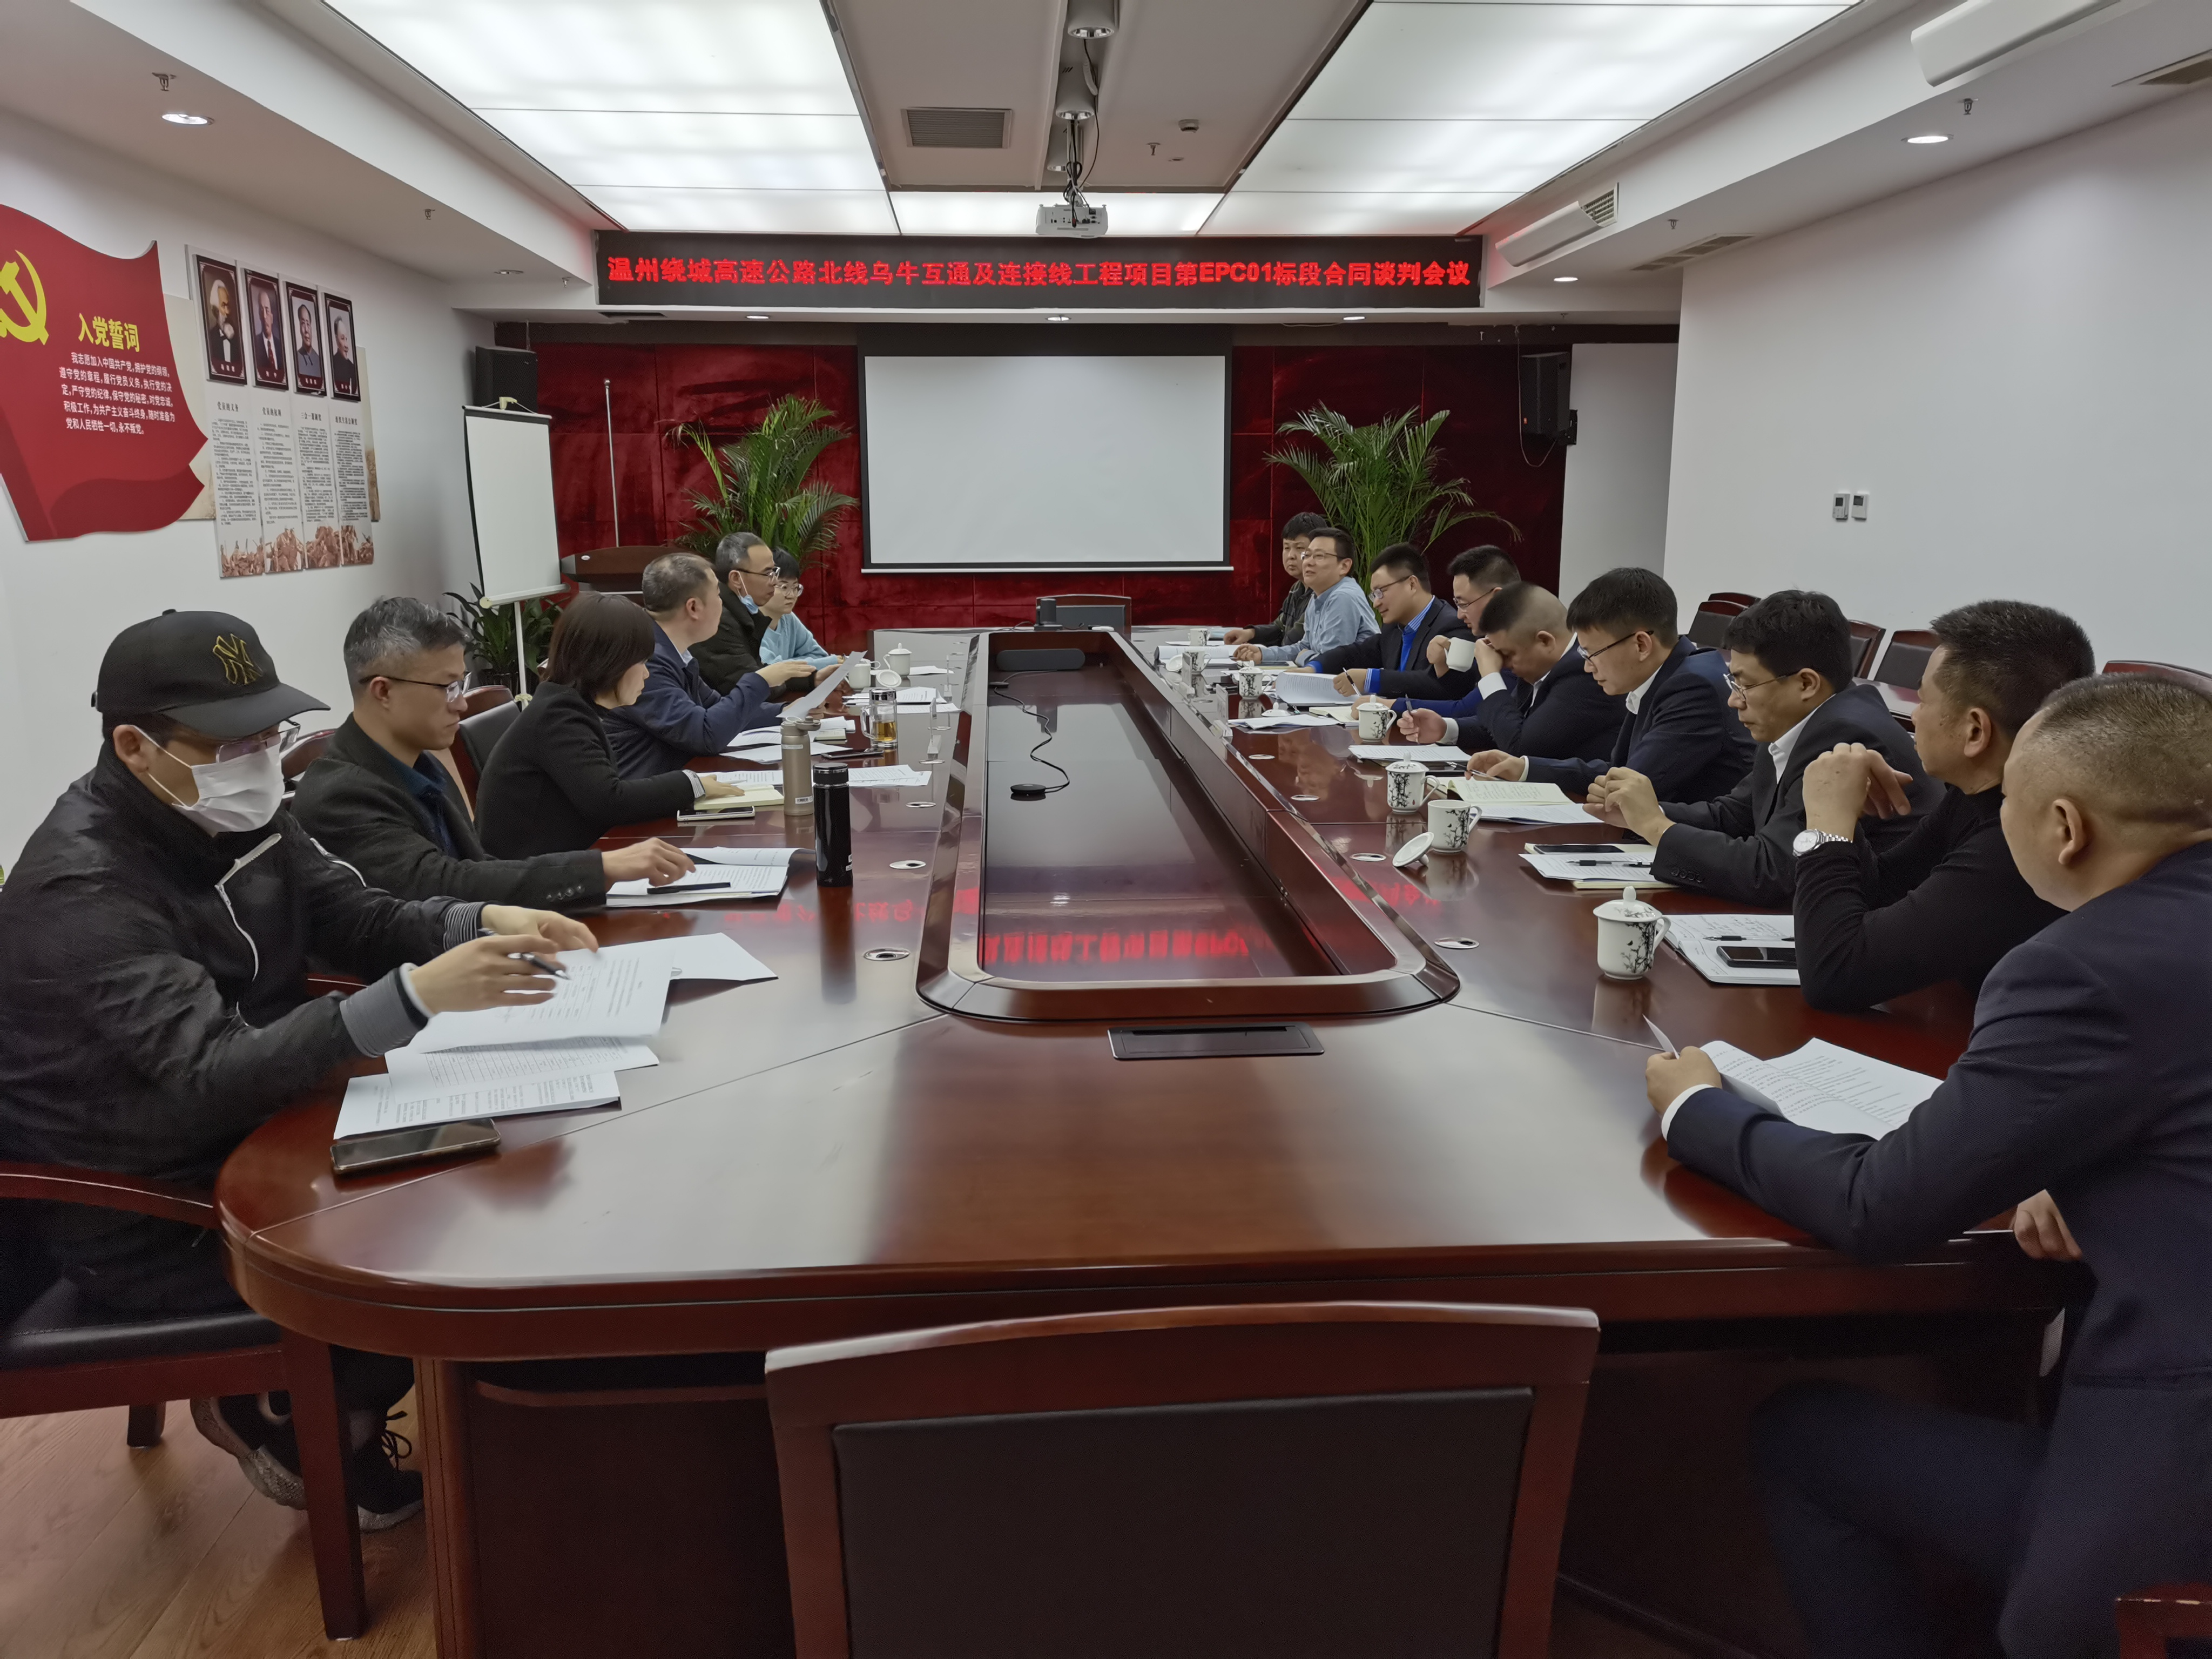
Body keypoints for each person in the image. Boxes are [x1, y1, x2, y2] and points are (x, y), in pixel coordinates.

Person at [1645, 673, 2212, 1659]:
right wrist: (2094, 1166)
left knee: (1806, 1438)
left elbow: (1880, 1204)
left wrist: (1698, 1110)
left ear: (2065, 829)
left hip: (2175, 1497)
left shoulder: (2083, 964)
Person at [0, 610, 599, 1528]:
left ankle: (492, 1417)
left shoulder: (232, 812)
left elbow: (358, 916)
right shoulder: (82, 892)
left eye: (268, 736)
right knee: (430, 1238)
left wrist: (477, 923)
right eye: (231, 743)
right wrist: (413, 996)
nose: (259, 762)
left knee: (506, 1166)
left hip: (260, 1125)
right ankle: (288, 1412)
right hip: (152, 1204)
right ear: (134, 746)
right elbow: (207, 1070)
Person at [1789, 599, 2094, 1009]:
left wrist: (1826, 825)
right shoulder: (1978, 794)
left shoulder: (2023, 841)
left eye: (1923, 700)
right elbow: (1885, 892)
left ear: (1975, 731)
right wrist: (1846, 815)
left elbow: (1835, 975)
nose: (1914, 717)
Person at [294, 597, 695, 905]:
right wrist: (599, 868)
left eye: (462, 685)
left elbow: (476, 867)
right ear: (384, 691)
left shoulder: (420, 763)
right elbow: (441, 883)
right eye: (447, 687)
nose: (460, 704)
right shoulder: (342, 795)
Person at [1585, 590, 1928, 907]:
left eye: (1745, 685)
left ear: (1806, 684)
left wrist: (1656, 827)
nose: (1734, 701)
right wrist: (1643, 812)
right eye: (1733, 683)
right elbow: (1734, 815)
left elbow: (1773, 871)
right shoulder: (1794, 719)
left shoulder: (1846, 736)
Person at [477, 592, 744, 857]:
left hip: (567, 857)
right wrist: (691, 784)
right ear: (609, 662)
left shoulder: (568, 706)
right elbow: (609, 801)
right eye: (641, 662)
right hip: (536, 872)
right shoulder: (558, 717)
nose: (647, 674)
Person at [1466, 568, 1754, 802]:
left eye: (1592, 654)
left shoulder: (1693, 688)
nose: (1588, 666)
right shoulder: (1663, 676)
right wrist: (1526, 768)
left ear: (1641, 645)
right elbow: (1618, 771)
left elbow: (1627, 788)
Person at [604, 552, 817, 779]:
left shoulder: (673, 651)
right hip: (645, 792)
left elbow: (718, 710)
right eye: (718, 594)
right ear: (694, 607)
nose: (722, 604)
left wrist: (786, 711)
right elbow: (705, 735)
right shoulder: (646, 662)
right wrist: (760, 681)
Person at [1390, 583, 1618, 765]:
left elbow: (1520, 747)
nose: (1504, 664)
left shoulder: (1583, 673)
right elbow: (1504, 725)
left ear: (1545, 641)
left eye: (1508, 654)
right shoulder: (1540, 669)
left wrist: (1490, 674)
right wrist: (1445, 728)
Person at [1316, 543, 1477, 702]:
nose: (1376, 603)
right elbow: (1357, 653)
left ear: (1411, 584)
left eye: (1381, 592)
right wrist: (1315, 667)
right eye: (1374, 595)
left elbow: (1439, 685)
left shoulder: (1454, 624)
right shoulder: (1394, 627)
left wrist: (1372, 679)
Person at [1231, 528, 1377, 669]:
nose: (1308, 562)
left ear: (1344, 566)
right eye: (1307, 555)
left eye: (1319, 556)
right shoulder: (1318, 595)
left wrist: (1304, 657)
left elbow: (1331, 663)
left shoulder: (1343, 597)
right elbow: (1304, 646)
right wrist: (1263, 654)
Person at [1224, 511, 1329, 649]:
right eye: (1287, 547)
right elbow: (1280, 628)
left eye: (1300, 548)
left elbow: (1293, 641)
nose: (1290, 556)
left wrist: (1263, 653)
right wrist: (1250, 633)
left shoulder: (1323, 592)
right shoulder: (1297, 588)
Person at [693, 532, 778, 695]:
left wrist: (811, 678)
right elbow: (751, 687)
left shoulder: (742, 611)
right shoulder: (717, 619)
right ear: (736, 579)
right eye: (767, 573)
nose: (775, 581)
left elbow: (758, 673)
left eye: (774, 571)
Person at [756, 552, 838, 673]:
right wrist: (832, 661)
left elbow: (819, 655)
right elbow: (770, 669)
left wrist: (787, 664)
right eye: (784, 587)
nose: (792, 595)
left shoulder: (788, 618)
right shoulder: (750, 624)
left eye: (795, 588)